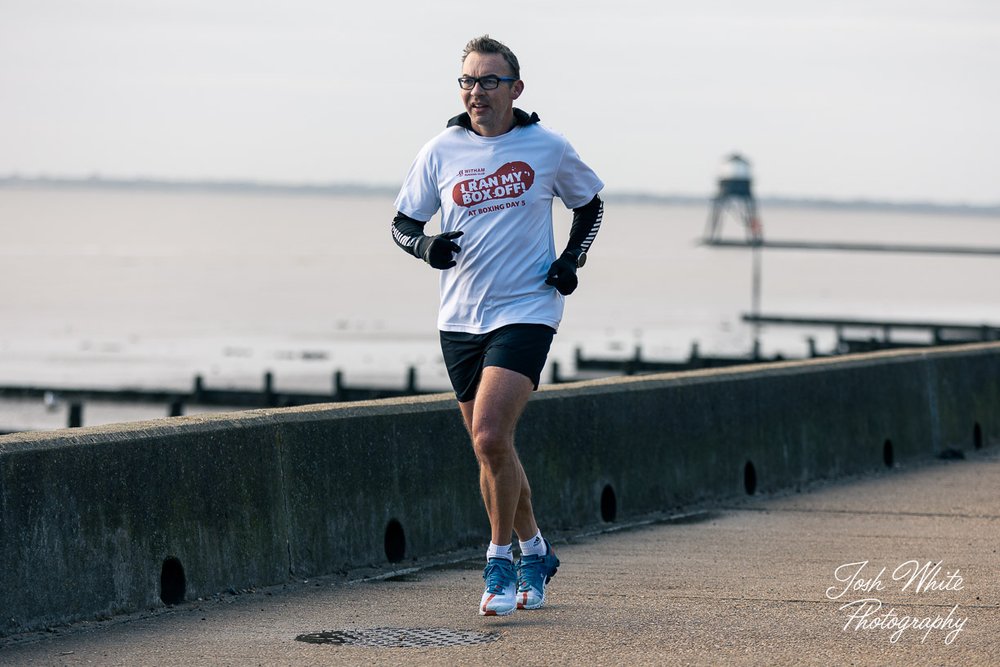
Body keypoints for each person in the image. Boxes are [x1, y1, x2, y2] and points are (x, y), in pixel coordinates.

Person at [391, 35, 604, 617]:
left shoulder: (547, 147)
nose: (476, 91)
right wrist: (427, 246)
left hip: (528, 310)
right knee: (493, 451)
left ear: (516, 87)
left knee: (489, 436)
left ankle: (499, 563)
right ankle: (537, 552)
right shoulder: (440, 150)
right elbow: (403, 224)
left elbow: (590, 205)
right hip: (459, 318)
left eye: (489, 81)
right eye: (467, 81)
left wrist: (570, 260)